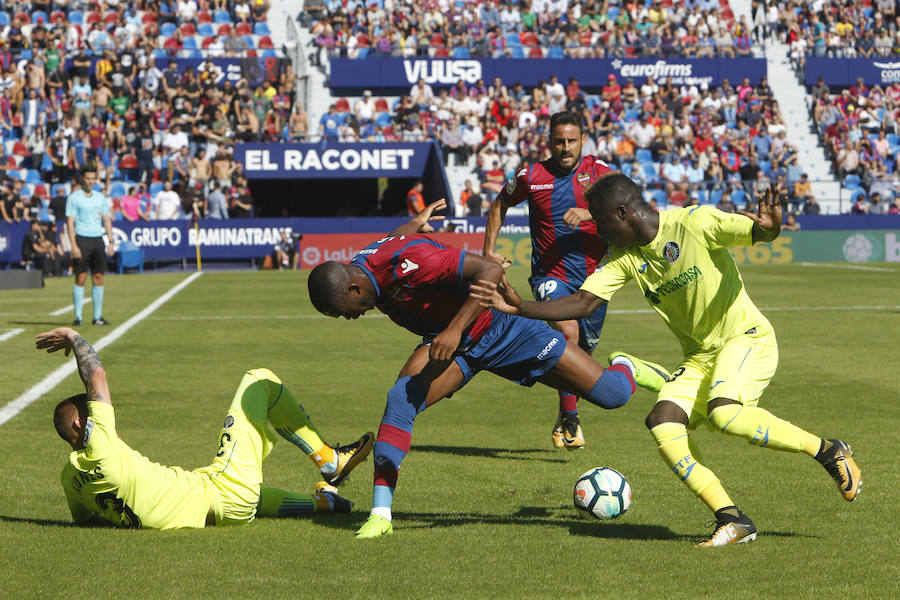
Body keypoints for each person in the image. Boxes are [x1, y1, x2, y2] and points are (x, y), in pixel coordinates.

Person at [471, 174, 862, 547]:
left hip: (746, 339)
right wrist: (521, 306)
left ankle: (828, 450)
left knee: (725, 414)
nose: (600, 233)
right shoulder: (626, 259)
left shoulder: (694, 221)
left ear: (623, 213)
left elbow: (758, 231)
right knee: (662, 422)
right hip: (701, 356)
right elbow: (583, 302)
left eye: (603, 224)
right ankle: (732, 519)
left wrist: (772, 227)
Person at [307, 199, 668, 538]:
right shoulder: (363, 265)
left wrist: (453, 328)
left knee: (613, 395)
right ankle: (380, 516)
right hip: (458, 349)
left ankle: (627, 365)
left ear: (353, 287)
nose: (349, 317)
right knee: (400, 401)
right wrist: (414, 225)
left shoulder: (417, 263)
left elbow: (491, 269)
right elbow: (393, 240)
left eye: (344, 309)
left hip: (505, 329)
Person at [37, 326, 374, 528]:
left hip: (217, 506)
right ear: (82, 423)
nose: (104, 411)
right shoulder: (103, 446)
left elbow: (87, 521)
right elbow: (95, 376)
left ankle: (328, 504)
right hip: (221, 493)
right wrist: (73, 336)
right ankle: (330, 460)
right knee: (259, 380)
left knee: (241, 495)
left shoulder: (71, 478)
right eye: (93, 411)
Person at [483, 111, 612, 450]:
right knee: (567, 330)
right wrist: (489, 250)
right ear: (549, 142)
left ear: (583, 140)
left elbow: (627, 208)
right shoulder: (532, 175)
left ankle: (564, 413)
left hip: (596, 278)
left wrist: (591, 213)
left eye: (572, 141)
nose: (566, 147)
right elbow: (499, 204)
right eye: (559, 141)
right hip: (549, 275)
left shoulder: (600, 173)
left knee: (584, 353)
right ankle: (571, 422)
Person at [66, 165, 114, 326]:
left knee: (98, 277)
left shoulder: (100, 197)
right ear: (82, 179)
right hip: (81, 240)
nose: (90, 181)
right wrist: (73, 245)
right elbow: (70, 223)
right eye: (88, 178)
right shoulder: (74, 198)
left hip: (97, 240)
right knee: (81, 277)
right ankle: (78, 317)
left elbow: (107, 219)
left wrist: (111, 241)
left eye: (93, 178)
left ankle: (97, 317)